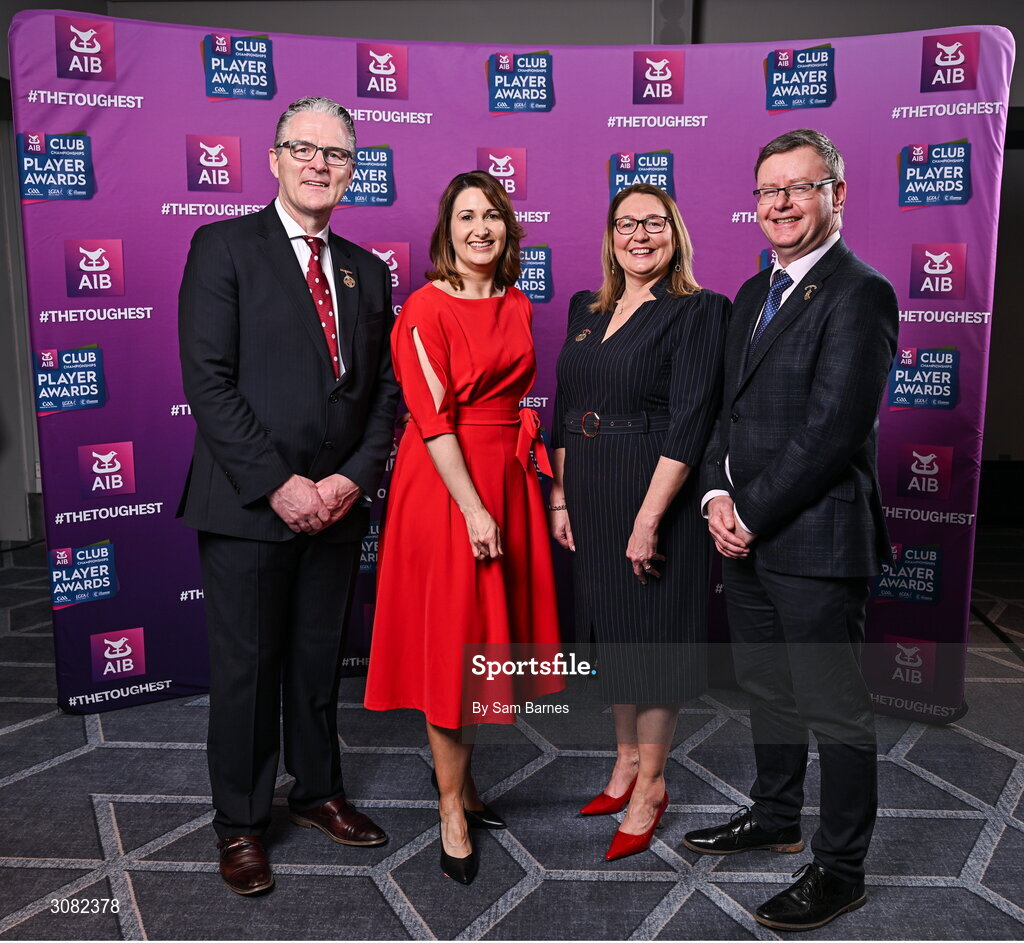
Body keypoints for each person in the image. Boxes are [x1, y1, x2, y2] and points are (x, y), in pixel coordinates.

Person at [178, 97, 399, 896]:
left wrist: (348, 480)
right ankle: (239, 822)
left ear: (351, 170)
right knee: (247, 669)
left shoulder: (367, 272)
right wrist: (279, 483)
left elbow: (384, 394)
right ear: (273, 158)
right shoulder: (224, 247)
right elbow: (208, 379)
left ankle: (315, 790)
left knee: (316, 661)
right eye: (303, 148)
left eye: (336, 154)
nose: (319, 163)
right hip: (247, 505)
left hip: (338, 507)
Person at [682, 129, 898, 931]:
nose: (779, 204)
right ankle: (774, 814)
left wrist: (751, 511)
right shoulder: (750, 293)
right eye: (767, 191)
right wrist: (713, 499)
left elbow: (833, 430)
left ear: (837, 194)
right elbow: (724, 417)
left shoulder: (860, 292)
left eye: (798, 188)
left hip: (813, 538)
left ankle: (841, 869)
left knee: (833, 706)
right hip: (742, 532)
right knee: (770, 688)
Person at [363, 171, 561, 885]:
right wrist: (474, 507)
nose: (481, 228)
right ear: (446, 230)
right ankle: (450, 806)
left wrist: (521, 492)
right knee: (454, 644)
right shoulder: (423, 306)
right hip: (448, 486)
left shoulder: (518, 300)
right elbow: (431, 416)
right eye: (467, 217)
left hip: (505, 477)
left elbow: (512, 403)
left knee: (481, 642)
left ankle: (468, 786)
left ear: (509, 228)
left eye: (493, 216)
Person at [548, 183, 728, 861]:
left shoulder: (699, 309)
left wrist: (650, 517)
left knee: (652, 641)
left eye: (655, 223)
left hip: (656, 489)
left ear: (675, 232)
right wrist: (561, 497)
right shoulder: (585, 308)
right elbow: (566, 405)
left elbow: (690, 419)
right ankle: (624, 762)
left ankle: (652, 783)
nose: (640, 235)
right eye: (627, 224)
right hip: (590, 489)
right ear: (610, 235)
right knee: (613, 634)